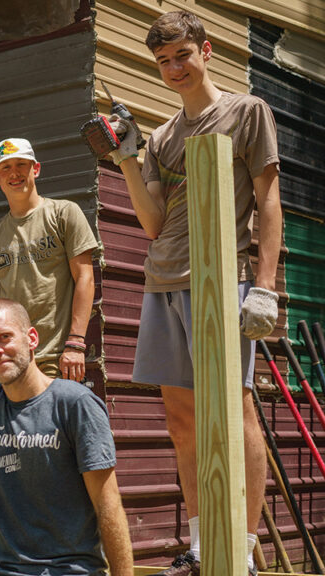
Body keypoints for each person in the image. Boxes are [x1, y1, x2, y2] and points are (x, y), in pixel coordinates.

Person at [110, 11, 281, 576]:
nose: (173, 68)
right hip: (165, 280)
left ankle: (245, 547)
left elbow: (269, 201)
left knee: (236, 412)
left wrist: (264, 287)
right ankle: (207, 547)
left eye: (182, 55)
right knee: (182, 421)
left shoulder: (246, 111)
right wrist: (127, 158)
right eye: (162, 61)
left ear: (206, 50)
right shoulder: (161, 137)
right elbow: (154, 223)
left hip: (223, 279)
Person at [0, 298, 133, 576]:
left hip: (68, 570)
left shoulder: (75, 404)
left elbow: (108, 506)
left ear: (31, 338)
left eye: (4, 337)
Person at [0, 138, 98, 382]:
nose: (14, 173)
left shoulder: (64, 213)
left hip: (58, 359)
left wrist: (76, 343)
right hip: (9, 360)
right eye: (5, 167)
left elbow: (85, 278)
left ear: (36, 169)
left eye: (21, 164)